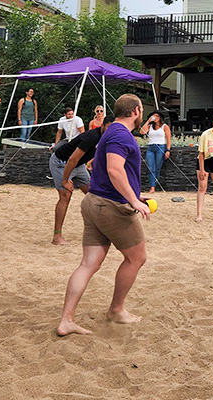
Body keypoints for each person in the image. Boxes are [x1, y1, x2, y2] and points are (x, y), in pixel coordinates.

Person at [56, 94, 152, 336]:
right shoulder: (121, 134)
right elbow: (114, 169)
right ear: (137, 111)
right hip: (111, 207)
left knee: (88, 264)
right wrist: (132, 201)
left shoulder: (108, 132)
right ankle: (116, 310)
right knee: (136, 258)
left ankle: (66, 320)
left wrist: (135, 195)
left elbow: (110, 171)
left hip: (93, 202)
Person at [50, 115, 115, 245]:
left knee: (94, 195)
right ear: (102, 125)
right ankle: (57, 237)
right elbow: (72, 159)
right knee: (65, 196)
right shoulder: (91, 136)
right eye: (108, 128)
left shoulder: (108, 139)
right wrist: (65, 181)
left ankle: (101, 231)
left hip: (79, 165)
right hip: (62, 162)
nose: (111, 131)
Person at [140, 110, 171, 194]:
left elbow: (168, 139)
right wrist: (148, 121)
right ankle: (152, 187)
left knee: (157, 168)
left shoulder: (164, 126)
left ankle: (154, 184)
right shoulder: (150, 126)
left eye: (157, 116)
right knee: (151, 168)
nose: (155, 118)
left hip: (161, 147)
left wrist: (168, 150)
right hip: (151, 147)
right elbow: (142, 132)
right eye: (154, 116)